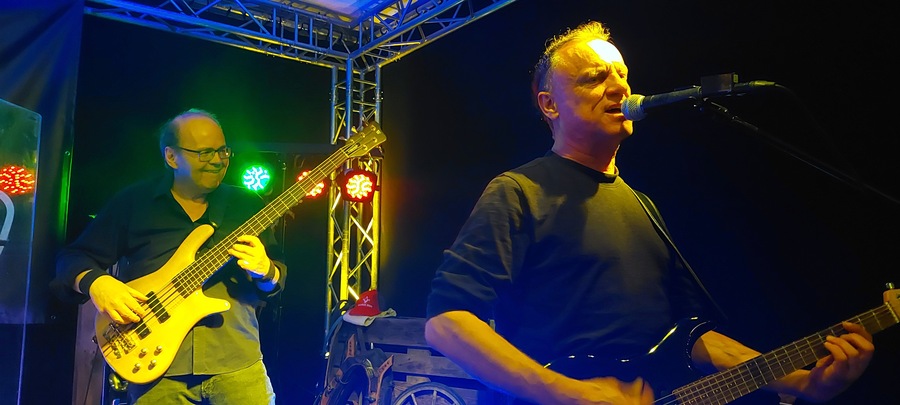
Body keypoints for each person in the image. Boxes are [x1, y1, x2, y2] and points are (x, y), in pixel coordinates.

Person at [423, 21, 874, 405]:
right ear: (550, 104)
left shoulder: (644, 207)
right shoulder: (519, 191)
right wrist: (572, 395)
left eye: (622, 75)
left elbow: (691, 338)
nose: (619, 87)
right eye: (594, 78)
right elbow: (447, 322)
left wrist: (801, 382)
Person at [51, 108, 286, 404]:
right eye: (204, 153)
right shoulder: (134, 203)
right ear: (172, 157)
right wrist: (97, 284)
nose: (217, 160)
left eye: (223, 151)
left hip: (237, 364)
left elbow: (274, 281)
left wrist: (266, 271)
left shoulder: (246, 204)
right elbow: (73, 257)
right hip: (157, 371)